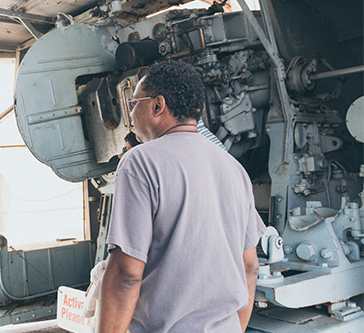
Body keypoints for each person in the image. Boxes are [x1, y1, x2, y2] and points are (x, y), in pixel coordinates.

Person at [98, 60, 265, 333]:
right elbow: (250, 266)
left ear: (157, 105)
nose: (131, 113)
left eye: (133, 104)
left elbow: (126, 274)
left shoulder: (140, 161)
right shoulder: (233, 168)